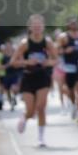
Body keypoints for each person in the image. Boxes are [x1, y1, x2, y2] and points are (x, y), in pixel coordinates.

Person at [10, 14, 58, 146]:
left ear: (43, 27)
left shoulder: (47, 42)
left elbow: (56, 60)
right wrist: (27, 61)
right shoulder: (25, 44)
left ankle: (41, 138)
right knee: (31, 111)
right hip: (28, 78)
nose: (37, 28)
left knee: (41, 107)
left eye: (39, 25)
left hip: (43, 77)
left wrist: (48, 62)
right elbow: (13, 62)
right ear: (30, 27)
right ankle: (25, 117)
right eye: (34, 25)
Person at [57, 18, 78, 123]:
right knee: (70, 89)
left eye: (76, 23)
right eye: (72, 23)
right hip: (69, 66)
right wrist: (65, 50)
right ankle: (73, 105)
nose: (74, 25)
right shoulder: (63, 37)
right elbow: (56, 50)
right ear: (68, 25)